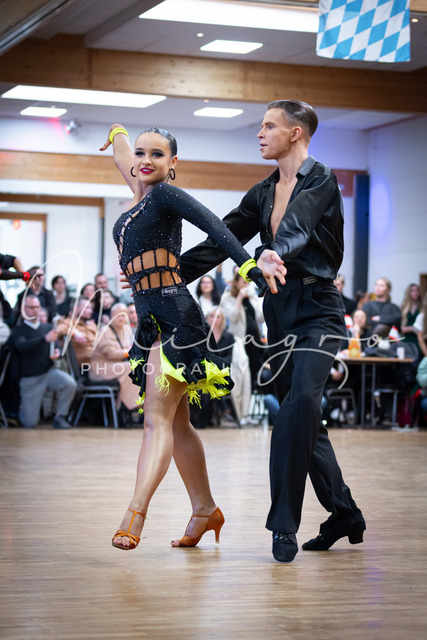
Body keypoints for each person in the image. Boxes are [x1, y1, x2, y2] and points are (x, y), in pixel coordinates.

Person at [178, 100, 366, 562]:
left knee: (297, 408)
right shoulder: (262, 191)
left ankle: (283, 525)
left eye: (268, 126)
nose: (259, 133)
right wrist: (169, 274)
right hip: (279, 312)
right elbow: (223, 238)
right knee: (303, 421)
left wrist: (271, 252)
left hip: (319, 309)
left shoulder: (321, 179)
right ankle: (344, 513)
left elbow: (298, 226)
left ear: (295, 133)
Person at [100, 123, 284, 551]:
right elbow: (123, 156)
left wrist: (248, 268)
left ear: (173, 163)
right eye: (141, 154)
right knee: (177, 425)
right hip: (151, 323)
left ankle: (134, 515)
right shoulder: (139, 194)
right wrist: (118, 132)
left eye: (157, 154)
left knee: (155, 420)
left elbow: (215, 227)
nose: (145, 161)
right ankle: (205, 509)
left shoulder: (164, 195)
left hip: (178, 320)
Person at [9, 294, 77, 428]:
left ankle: (60, 416)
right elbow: (21, 346)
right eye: (31, 307)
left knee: (70, 384)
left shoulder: (47, 327)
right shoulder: (19, 330)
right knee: (29, 422)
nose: (35, 310)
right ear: (24, 309)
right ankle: (22, 408)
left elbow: (56, 347)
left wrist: (57, 353)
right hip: (30, 379)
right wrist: (44, 339)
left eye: (37, 307)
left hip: (48, 373)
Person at [220, 271, 265, 391]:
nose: (246, 286)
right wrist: (239, 298)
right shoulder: (227, 297)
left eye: (248, 283)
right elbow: (232, 317)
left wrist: (259, 299)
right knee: (242, 369)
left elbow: (260, 318)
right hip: (239, 339)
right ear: (236, 283)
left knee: (255, 367)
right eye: (244, 282)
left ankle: (253, 392)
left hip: (254, 337)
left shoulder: (252, 297)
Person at [57, 297, 97, 366]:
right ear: (75, 309)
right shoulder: (67, 323)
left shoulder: (91, 324)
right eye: (87, 308)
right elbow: (57, 331)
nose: (90, 311)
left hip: (100, 360)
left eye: (91, 308)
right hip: (85, 366)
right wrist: (73, 332)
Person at [400, 283, 422, 353]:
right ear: (408, 293)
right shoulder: (403, 308)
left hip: (419, 339)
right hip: (405, 339)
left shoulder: (422, 308)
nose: (415, 293)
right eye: (412, 291)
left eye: (417, 291)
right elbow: (399, 328)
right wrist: (412, 328)